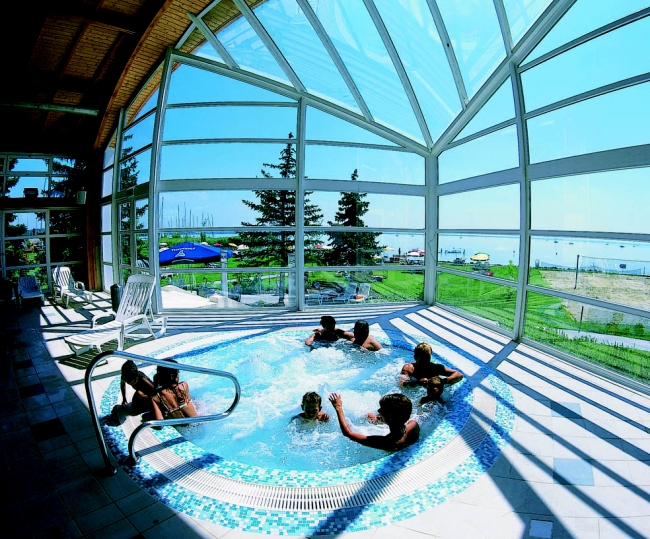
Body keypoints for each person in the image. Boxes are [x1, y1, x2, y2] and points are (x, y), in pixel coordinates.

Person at [328, 392, 419, 451]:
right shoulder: (413, 425)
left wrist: (338, 408)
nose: (378, 410)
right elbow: (397, 422)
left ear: (391, 416)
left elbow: (348, 433)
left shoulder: (388, 442)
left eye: (382, 409)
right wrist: (381, 419)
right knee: (371, 417)